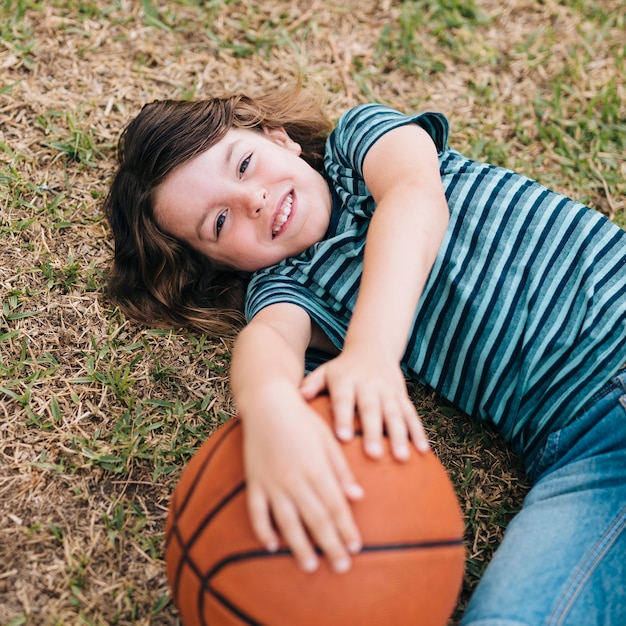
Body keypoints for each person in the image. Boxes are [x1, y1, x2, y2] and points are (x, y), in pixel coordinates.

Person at [103, 79, 626, 625]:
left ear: (280, 139)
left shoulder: (362, 143)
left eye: (243, 165)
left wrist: (371, 354)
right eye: (219, 222)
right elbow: (270, 340)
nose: (252, 199)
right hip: (587, 448)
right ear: (221, 266)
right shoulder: (290, 289)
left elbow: (415, 199)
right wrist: (270, 411)